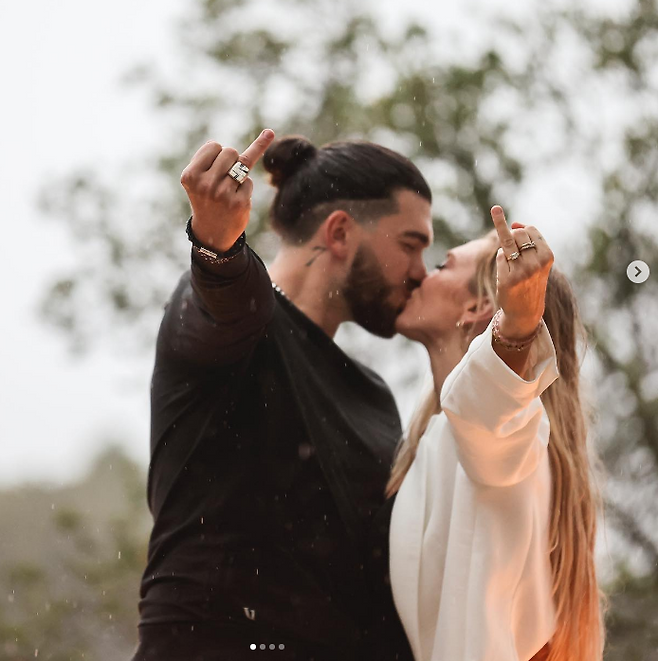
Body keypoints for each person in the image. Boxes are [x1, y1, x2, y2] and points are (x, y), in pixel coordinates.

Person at [131, 129, 433, 661]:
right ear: (339, 232)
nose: (419, 272)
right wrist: (216, 244)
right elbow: (228, 293)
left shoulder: (372, 394)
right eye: (411, 245)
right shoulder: (239, 326)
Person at [375, 208, 605, 661]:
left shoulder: (512, 431)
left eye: (442, 265)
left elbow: (492, 417)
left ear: (478, 306)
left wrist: (516, 326)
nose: (421, 274)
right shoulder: (437, 440)